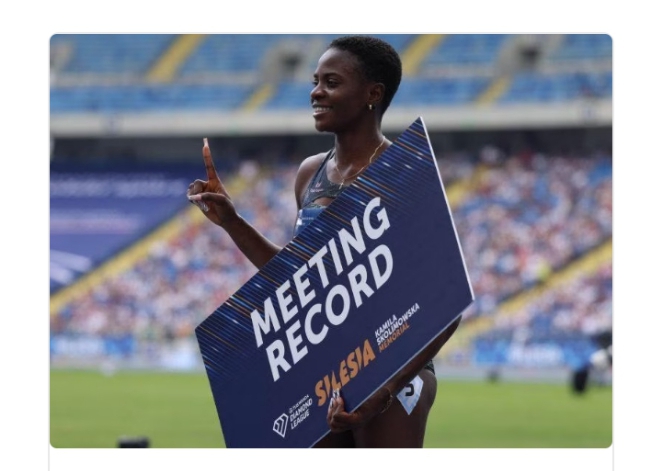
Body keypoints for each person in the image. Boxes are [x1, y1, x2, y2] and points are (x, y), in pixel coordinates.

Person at [187, 35, 461, 448]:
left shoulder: (404, 175)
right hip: (322, 373)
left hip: (395, 369)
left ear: (373, 94)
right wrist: (232, 221)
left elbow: (447, 306)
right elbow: (299, 281)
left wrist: (385, 388)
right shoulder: (310, 174)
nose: (316, 92)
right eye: (315, 81)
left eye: (331, 82)